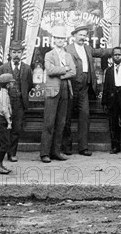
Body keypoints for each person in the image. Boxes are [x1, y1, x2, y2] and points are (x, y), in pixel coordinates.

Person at [62, 25, 111, 156]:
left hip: (85, 87)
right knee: (66, 117)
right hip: (71, 86)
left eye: (84, 35)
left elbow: (100, 53)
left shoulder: (88, 48)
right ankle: (66, 146)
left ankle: (83, 147)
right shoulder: (67, 49)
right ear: (74, 36)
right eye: (81, 35)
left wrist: (116, 49)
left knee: (85, 115)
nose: (83, 37)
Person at [40, 26, 76, 163]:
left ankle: (56, 152)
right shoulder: (49, 54)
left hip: (66, 89)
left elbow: (73, 71)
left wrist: (60, 75)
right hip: (52, 90)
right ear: (53, 40)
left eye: (62, 38)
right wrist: (64, 69)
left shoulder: (68, 55)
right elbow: (49, 70)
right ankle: (44, 153)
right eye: (58, 38)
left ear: (65, 40)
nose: (60, 40)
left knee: (61, 122)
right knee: (49, 123)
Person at [0, 41, 33, 162]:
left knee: (16, 128)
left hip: (19, 102)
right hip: (6, 102)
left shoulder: (27, 68)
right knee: (2, 128)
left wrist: (21, 95)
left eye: (19, 52)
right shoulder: (3, 67)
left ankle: (12, 154)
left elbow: (30, 85)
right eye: (14, 52)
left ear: (22, 53)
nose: (16, 54)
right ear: (10, 53)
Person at [0, 73, 15, 174]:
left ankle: (0, 165)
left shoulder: (2, 93)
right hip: (3, 121)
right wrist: (9, 122)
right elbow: (5, 110)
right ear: (7, 85)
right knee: (4, 143)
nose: (13, 85)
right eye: (11, 83)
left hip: (1, 120)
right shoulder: (4, 95)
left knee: (3, 142)